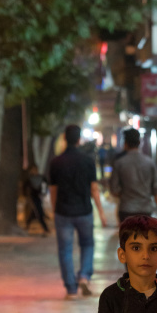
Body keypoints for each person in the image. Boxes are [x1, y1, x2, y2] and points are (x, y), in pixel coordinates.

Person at [49, 125, 107, 300]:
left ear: (65, 139)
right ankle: (84, 276)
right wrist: (101, 212)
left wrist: (54, 210)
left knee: (65, 250)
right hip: (84, 211)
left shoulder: (56, 162)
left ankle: (71, 289)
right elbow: (94, 189)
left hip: (63, 211)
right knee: (88, 245)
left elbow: (53, 190)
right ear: (79, 139)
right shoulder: (88, 161)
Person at [109, 128, 157, 225]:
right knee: (144, 239)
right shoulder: (150, 163)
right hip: (146, 210)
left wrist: (125, 195)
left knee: (128, 239)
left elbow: (114, 190)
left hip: (126, 209)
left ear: (125, 143)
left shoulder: (119, 163)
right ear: (140, 143)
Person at [25, 164, 49, 236]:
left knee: (35, 212)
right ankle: (45, 228)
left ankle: (28, 225)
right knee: (38, 211)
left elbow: (44, 186)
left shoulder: (41, 178)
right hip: (32, 197)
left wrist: (43, 193)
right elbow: (25, 188)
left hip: (39, 197)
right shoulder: (29, 179)